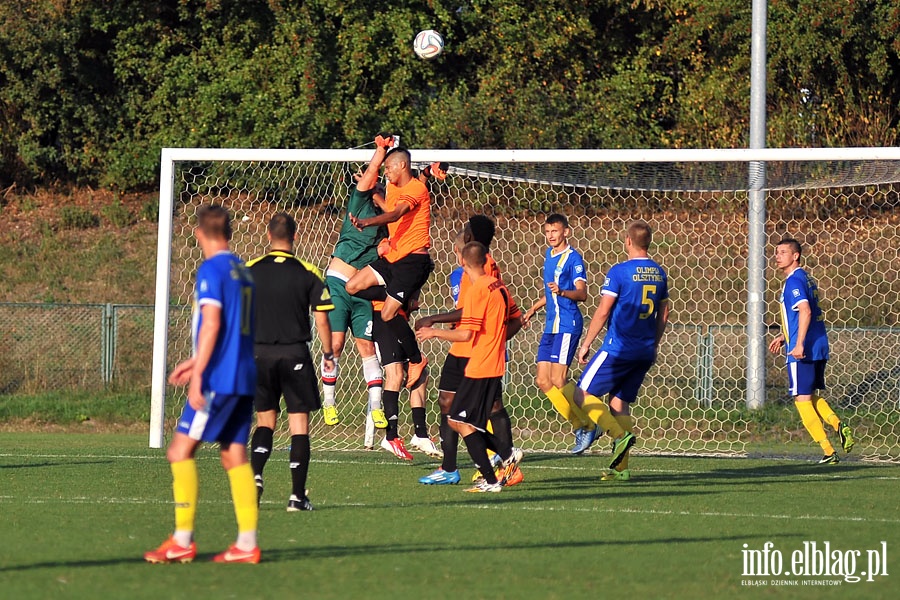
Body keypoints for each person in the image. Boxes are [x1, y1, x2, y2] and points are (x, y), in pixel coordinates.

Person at [144, 205, 260, 564]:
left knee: (179, 451)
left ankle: (182, 540)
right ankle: (246, 544)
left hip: (219, 378)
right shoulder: (243, 270)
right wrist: (195, 360)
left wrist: (199, 374)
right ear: (228, 231)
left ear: (199, 233)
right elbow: (232, 327)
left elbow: (211, 322)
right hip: (243, 373)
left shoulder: (211, 268)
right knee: (234, 454)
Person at [345, 140, 438, 458]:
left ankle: (417, 362)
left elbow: (397, 211)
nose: (385, 170)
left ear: (401, 167)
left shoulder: (414, 190)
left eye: (388, 166)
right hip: (394, 260)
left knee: (388, 317)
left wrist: (368, 222)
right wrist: (372, 193)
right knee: (352, 286)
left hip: (412, 260)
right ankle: (399, 434)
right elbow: (389, 208)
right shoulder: (394, 184)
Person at [416, 216, 523, 486]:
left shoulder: (484, 272)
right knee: (449, 405)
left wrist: (433, 322)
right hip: (465, 347)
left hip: (474, 349)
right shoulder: (475, 271)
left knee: (479, 412)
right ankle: (451, 467)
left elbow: (471, 312)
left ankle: (503, 464)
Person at [246, 212, 335, 512]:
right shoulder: (308, 272)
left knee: (265, 421)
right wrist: (328, 351)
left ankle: (255, 476)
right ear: (294, 237)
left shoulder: (250, 270)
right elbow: (322, 318)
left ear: (268, 236)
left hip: (258, 354)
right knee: (299, 424)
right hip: (295, 353)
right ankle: (297, 496)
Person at [571, 220, 669, 481]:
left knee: (581, 394)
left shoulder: (619, 272)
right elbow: (664, 313)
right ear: (648, 242)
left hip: (618, 348)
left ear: (628, 241)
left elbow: (603, 310)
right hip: (644, 351)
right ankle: (620, 469)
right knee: (618, 403)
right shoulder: (659, 273)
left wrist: (586, 343)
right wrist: (654, 344)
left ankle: (619, 435)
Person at [320, 155, 391, 445]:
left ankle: (376, 408)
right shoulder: (358, 205)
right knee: (335, 344)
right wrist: (381, 152)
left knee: (366, 345)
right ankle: (328, 402)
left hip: (362, 290)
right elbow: (371, 173)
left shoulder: (387, 228)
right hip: (337, 284)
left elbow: (407, 211)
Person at [768, 238, 854, 464]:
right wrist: (785, 336)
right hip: (818, 344)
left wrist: (797, 344)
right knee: (810, 394)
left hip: (804, 348)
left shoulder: (794, 281)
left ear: (795, 256)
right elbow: (804, 316)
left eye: (783, 252)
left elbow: (805, 311)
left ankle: (828, 451)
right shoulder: (807, 278)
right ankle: (838, 425)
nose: (777, 256)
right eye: (776, 252)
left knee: (801, 399)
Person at [521, 213, 596, 454]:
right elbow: (550, 291)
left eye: (555, 231)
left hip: (567, 323)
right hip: (551, 325)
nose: (551, 236)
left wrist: (563, 292)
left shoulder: (573, 259)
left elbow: (582, 293)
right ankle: (580, 425)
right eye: (547, 232)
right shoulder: (548, 256)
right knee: (543, 380)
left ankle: (590, 422)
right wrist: (533, 308)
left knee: (559, 379)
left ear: (566, 232)